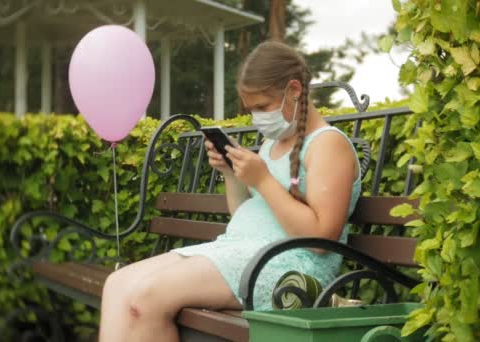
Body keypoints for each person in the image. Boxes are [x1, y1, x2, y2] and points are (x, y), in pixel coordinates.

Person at [99, 41, 361, 342]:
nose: (257, 117)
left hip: (290, 267)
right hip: (241, 250)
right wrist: (231, 174)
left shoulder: (328, 145)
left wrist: (262, 180)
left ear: (295, 90)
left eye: (262, 106)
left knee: (147, 297)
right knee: (117, 283)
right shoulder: (273, 145)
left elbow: (321, 240)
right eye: (251, 110)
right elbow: (248, 216)